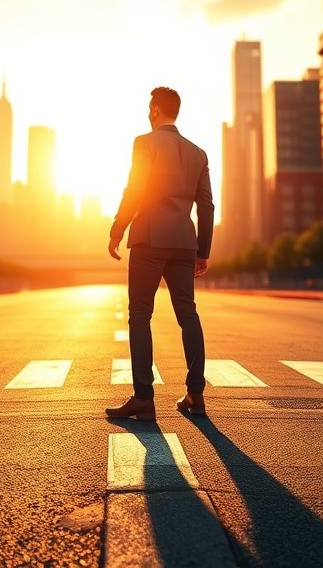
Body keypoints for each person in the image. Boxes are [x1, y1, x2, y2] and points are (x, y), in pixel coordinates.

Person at [105, 87, 214, 421]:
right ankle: (195, 393)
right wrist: (203, 251)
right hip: (184, 242)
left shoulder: (144, 143)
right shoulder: (198, 153)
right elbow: (206, 205)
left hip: (150, 238)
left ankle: (143, 398)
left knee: (140, 314)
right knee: (188, 314)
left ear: (154, 110)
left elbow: (134, 188)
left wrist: (117, 228)